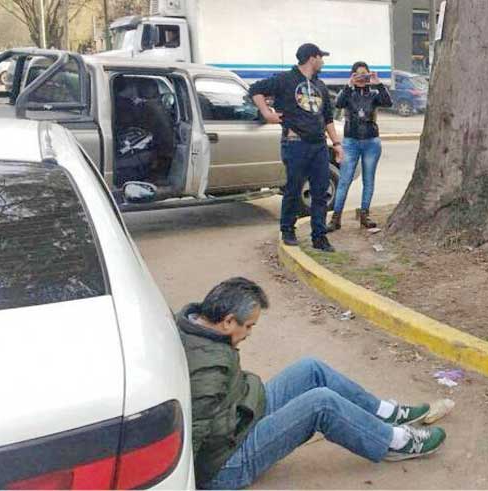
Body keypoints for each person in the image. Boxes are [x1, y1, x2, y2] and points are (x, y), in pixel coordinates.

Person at [178, 277, 448, 489]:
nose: (249, 333)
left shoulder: (195, 325)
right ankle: (392, 441)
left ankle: (385, 413)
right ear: (227, 321)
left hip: (242, 413)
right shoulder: (208, 369)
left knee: (310, 368)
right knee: (321, 404)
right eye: (248, 326)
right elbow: (195, 428)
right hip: (228, 462)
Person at [249, 43, 343, 252]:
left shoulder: (320, 85)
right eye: (321, 57)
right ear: (312, 58)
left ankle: (319, 236)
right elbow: (255, 89)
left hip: (319, 145)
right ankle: (288, 230)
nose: (323, 62)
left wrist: (336, 144)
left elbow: (328, 118)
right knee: (293, 189)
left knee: (320, 191)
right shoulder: (285, 80)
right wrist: (267, 113)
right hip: (295, 143)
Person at [328, 62, 393, 232]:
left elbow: (388, 102)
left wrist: (378, 83)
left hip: (371, 142)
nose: (362, 77)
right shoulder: (348, 94)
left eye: (365, 74)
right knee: (344, 180)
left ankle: (365, 215)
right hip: (351, 142)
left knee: (368, 180)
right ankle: (336, 218)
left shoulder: (374, 94)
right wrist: (349, 85)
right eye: (358, 74)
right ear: (353, 75)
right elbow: (338, 103)